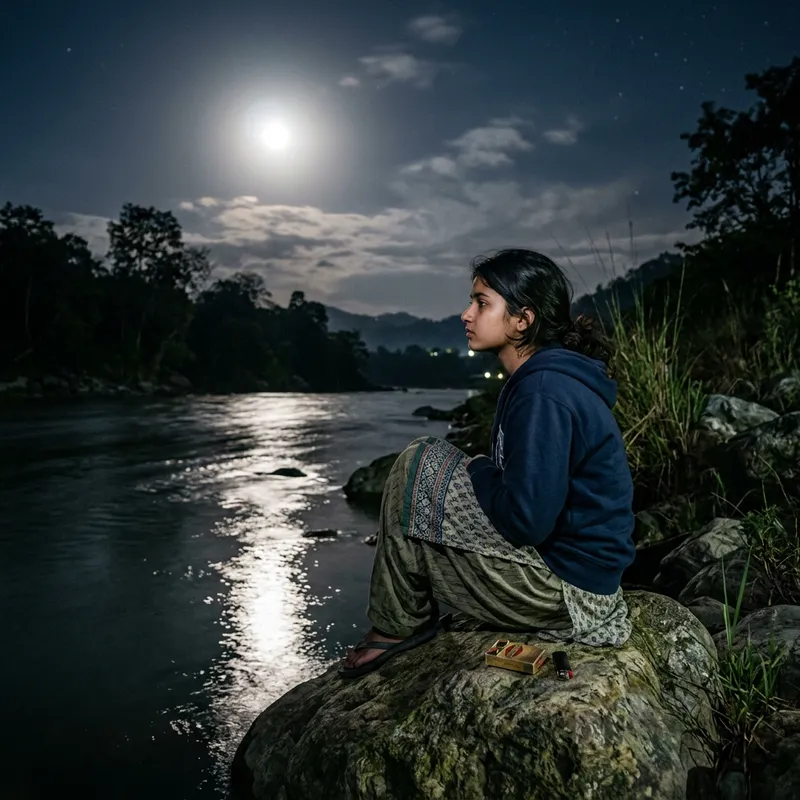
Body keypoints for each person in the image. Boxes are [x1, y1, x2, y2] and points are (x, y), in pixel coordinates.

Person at [339, 249, 636, 679]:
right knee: (423, 459)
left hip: (569, 594)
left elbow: (527, 522)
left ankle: (397, 626)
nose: (466, 314)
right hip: (572, 574)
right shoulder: (539, 381)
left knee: (413, 467)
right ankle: (403, 620)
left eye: (482, 303)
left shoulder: (544, 393)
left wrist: (479, 470)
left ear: (522, 320)